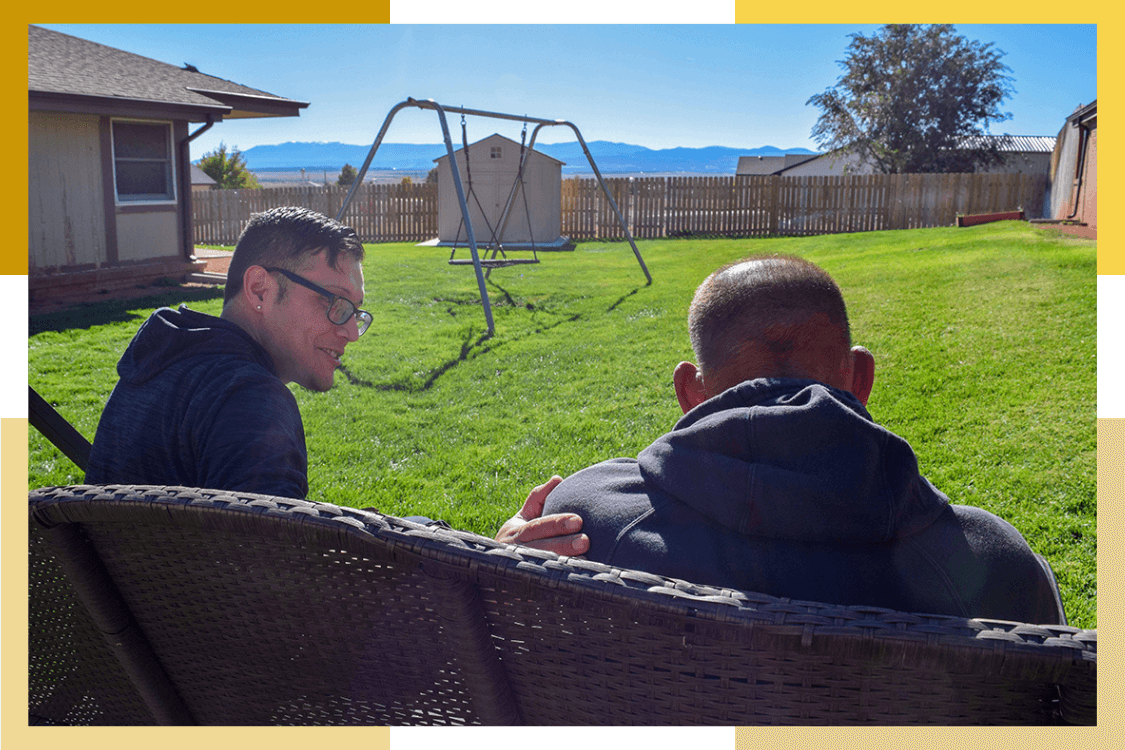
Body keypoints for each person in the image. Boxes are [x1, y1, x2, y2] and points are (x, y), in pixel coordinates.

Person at [541, 254, 1064, 623]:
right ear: (860, 379)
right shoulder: (996, 566)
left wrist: (498, 565)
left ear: (689, 392)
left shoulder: (578, 526)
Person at [85, 206, 587, 555]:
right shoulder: (249, 400)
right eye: (335, 303)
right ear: (260, 288)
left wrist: (418, 532)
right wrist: (489, 559)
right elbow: (285, 591)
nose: (351, 331)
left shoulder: (160, 366)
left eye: (357, 312)